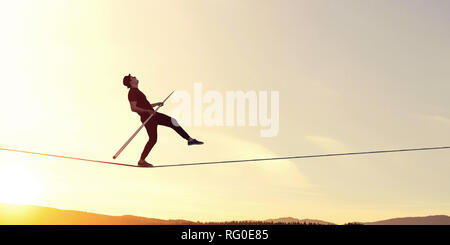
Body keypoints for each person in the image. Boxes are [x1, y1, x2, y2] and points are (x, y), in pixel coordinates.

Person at [123, 74, 203, 167]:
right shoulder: (132, 92)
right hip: (148, 118)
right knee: (153, 139)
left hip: (152, 115)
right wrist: (147, 111)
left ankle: (189, 139)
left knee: (172, 121)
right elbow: (133, 108)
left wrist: (156, 104)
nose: (134, 77)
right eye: (132, 77)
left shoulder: (137, 91)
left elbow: (144, 104)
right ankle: (141, 161)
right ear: (130, 81)